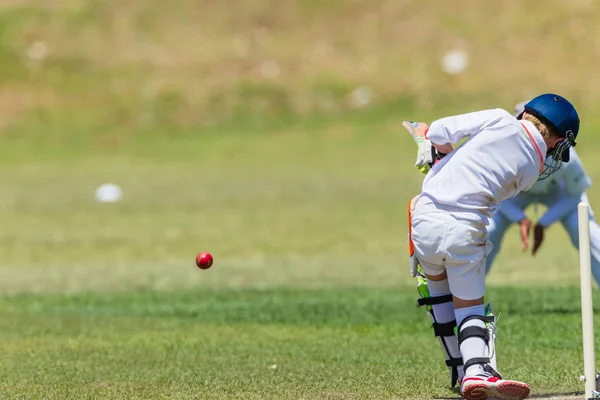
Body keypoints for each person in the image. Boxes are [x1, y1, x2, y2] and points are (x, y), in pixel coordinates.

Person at [405, 93, 580, 400]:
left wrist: (437, 150)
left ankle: (461, 373)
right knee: (469, 305)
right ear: (555, 139)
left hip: (424, 220)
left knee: (439, 293)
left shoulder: (499, 118)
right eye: (558, 145)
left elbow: (441, 130)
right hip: (464, 230)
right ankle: (475, 369)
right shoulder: (532, 169)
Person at [486, 101, 600, 288]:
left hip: (558, 193)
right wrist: (520, 218)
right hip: (514, 194)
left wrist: (543, 223)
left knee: (586, 232)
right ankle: (465, 299)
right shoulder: (502, 151)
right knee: (488, 231)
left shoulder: (566, 155)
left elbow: (575, 195)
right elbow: (493, 193)